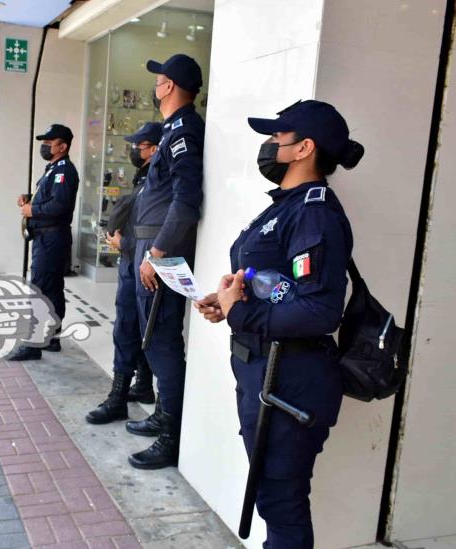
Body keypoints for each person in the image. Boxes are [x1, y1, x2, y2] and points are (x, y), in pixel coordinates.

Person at [195, 100, 364, 548]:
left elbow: (319, 311)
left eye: (276, 137)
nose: (269, 145)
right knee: (274, 498)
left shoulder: (314, 212)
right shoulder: (285, 207)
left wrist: (241, 311)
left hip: (289, 381)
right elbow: (277, 285)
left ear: (303, 147)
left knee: (281, 503)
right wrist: (229, 301)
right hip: (263, 372)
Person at [127, 54, 205, 470]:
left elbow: (186, 201)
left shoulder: (183, 132)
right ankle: (163, 412)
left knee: (162, 341)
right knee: (153, 340)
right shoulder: (175, 129)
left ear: (170, 86)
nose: (155, 86)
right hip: (153, 248)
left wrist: (157, 254)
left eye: (159, 79)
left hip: (163, 253)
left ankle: (174, 435)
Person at [86, 122, 162, 425]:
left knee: (132, 329)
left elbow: (156, 229)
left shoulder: (158, 182)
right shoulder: (145, 177)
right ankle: (141, 386)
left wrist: (124, 242)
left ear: (154, 149)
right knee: (131, 327)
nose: (133, 150)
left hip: (140, 262)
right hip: (133, 261)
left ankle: (118, 398)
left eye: (138, 145)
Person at [8, 124, 79, 361]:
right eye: (44, 141)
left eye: (50, 142)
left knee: (39, 288)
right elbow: (50, 197)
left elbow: (59, 206)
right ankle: (52, 337)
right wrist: (29, 199)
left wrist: (32, 210)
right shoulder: (53, 169)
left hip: (51, 237)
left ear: (63, 146)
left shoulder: (64, 171)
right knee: (51, 288)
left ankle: (34, 343)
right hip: (46, 237)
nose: (45, 145)